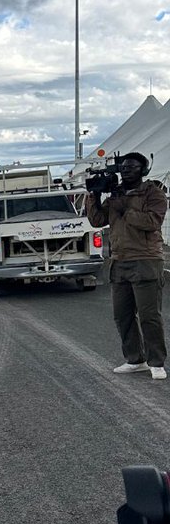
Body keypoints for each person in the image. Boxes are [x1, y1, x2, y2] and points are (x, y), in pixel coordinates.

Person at [85, 152, 168, 380]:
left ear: (143, 170)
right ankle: (135, 359)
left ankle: (156, 362)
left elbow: (152, 222)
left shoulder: (153, 193)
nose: (126, 170)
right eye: (123, 167)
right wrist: (94, 194)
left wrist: (125, 209)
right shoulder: (116, 194)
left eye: (132, 167)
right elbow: (97, 220)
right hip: (119, 261)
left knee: (149, 315)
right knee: (122, 315)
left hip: (145, 259)